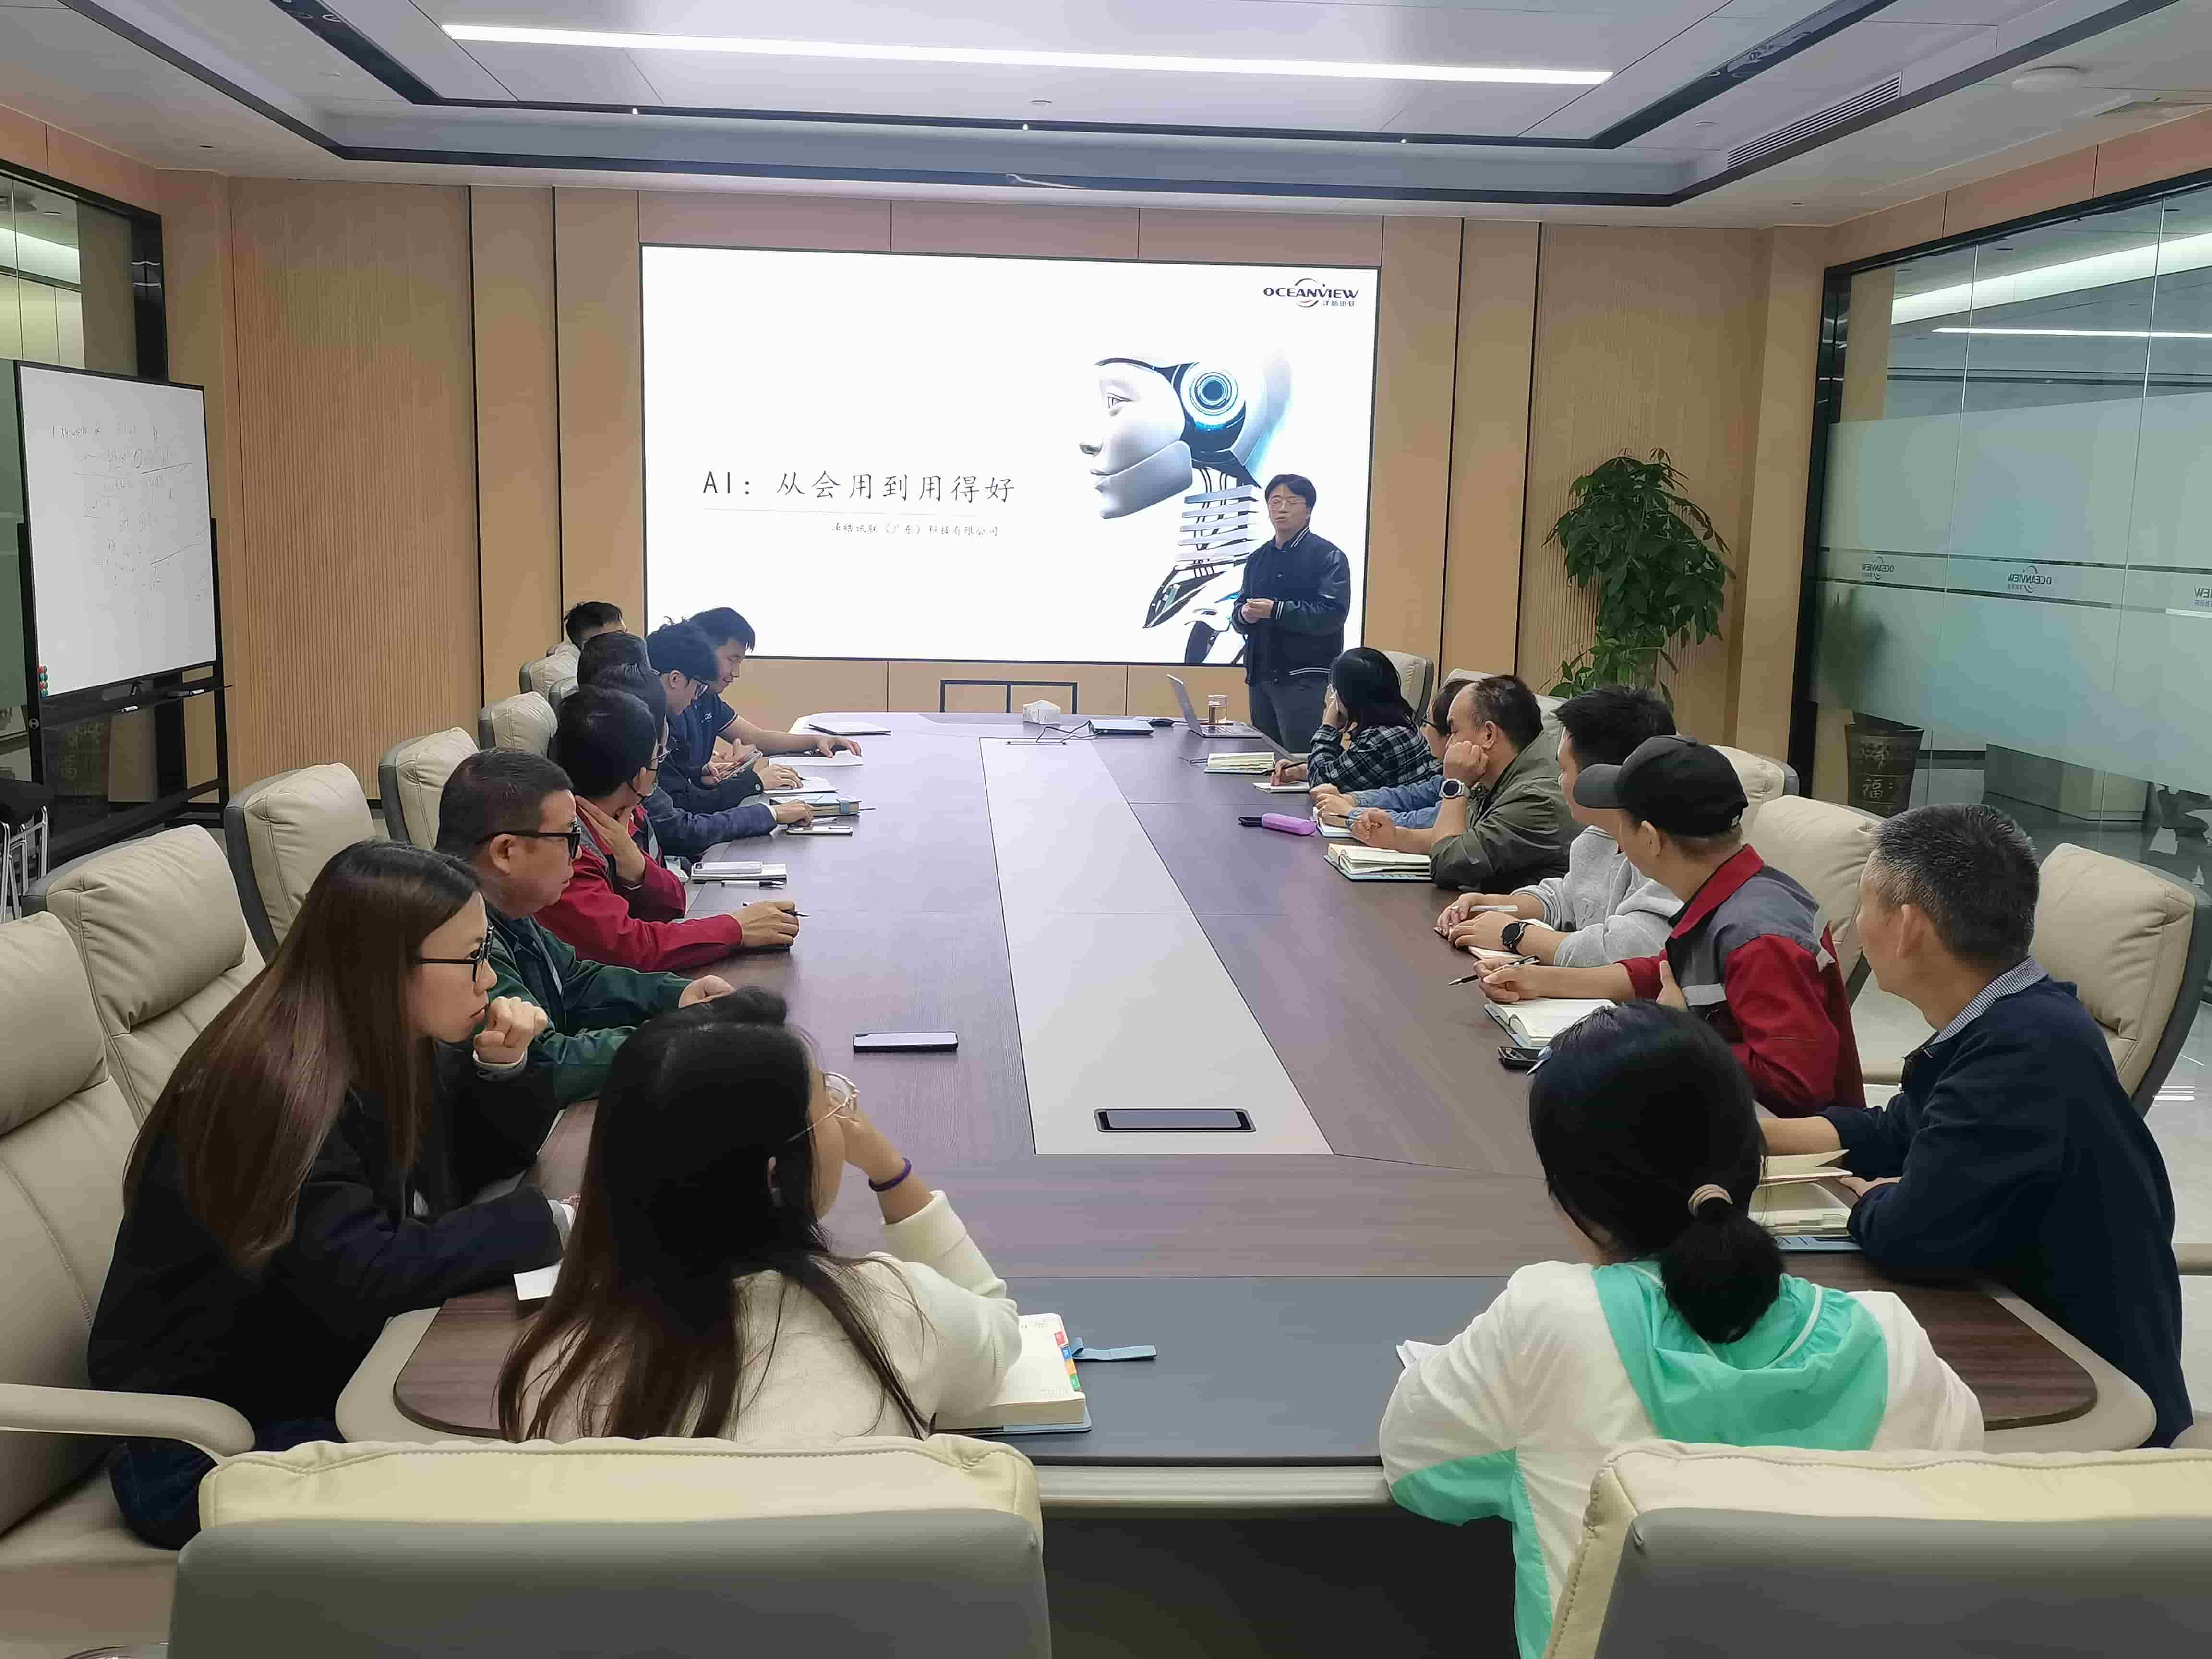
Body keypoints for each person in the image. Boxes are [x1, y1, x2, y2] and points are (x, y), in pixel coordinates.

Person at [1382, 1003, 1980, 1659]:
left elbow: (1418, 1469)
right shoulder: (1894, 1343)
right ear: (1754, 1165)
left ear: (1571, 1200)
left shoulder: (1553, 1319)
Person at [87, 842, 565, 1547]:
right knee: (523, 1480)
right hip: (205, 1451)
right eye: (471, 958)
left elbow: (465, 1172)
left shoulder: (377, 1038)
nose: (489, 979)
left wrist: (501, 1069)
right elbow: (364, 1274)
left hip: (313, 1374)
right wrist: (550, 1222)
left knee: (539, 1421)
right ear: (384, 965)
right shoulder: (270, 1088)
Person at [1764, 804, 2191, 1446]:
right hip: (2012, 1330)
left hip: (2076, 1394)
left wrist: (1874, 1200)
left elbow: (1912, 1235)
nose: (1856, 923)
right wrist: (1751, 1137)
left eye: (1865, 905)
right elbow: (1898, 1131)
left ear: (1907, 927)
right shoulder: (2014, 1018)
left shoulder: (2024, 1052)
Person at [497, 990, 1019, 1442]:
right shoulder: (897, 1311)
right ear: (774, 1176)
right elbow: (998, 1326)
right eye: (828, 1106)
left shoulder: (552, 1372)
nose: (842, 1119)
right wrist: (891, 1172)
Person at [1483, 735, 1864, 1118]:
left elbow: (1796, 1088)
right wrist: (1541, 981)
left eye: (1619, 822)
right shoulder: (1727, 891)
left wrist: (1680, 1034)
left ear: (1650, 839)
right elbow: (1662, 973)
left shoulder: (1758, 939)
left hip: (1768, 1141)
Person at [437, 749, 738, 1105]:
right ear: (505, 851)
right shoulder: (457, 940)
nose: (579, 854)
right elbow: (546, 1062)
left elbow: (575, 980)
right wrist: (676, 1040)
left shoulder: (507, 905)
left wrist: (677, 995)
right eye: (569, 838)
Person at [538, 685, 800, 972]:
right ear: (639, 776)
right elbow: (629, 948)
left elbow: (675, 903)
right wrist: (735, 929)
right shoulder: (566, 848)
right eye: (658, 760)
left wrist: (639, 870)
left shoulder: (628, 814)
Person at [1433, 685, 1682, 967]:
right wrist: (1490, 905)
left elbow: (1623, 951)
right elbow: (1564, 899)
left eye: (1563, 769)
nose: (1558, 781)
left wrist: (1513, 934)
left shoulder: (1669, 853)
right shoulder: (1597, 838)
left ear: (1598, 779)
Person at [1350, 674, 1573, 892]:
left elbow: (1447, 864)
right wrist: (1395, 837)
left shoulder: (1535, 799)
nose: (1449, 745)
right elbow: (1461, 840)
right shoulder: (1501, 775)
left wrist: (1456, 784)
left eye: (1454, 732)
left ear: (1489, 735)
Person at [1230, 474, 1349, 753]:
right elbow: (1238, 611)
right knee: (1266, 759)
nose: (1282, 509)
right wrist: (1244, 615)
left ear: (1309, 510)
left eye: (1292, 502)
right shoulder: (1257, 558)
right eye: (1275, 502)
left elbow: (1332, 614)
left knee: (1300, 758)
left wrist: (1277, 610)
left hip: (1303, 677)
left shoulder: (1328, 556)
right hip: (1260, 675)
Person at [688, 606, 865, 775]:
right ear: (704, 653)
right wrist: (754, 782)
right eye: (732, 661)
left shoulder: (708, 699)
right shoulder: (678, 704)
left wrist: (817, 741)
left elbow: (758, 739)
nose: (736, 673)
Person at [1268, 647, 1438, 795]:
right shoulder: (1399, 721)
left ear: (1350, 696)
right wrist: (1300, 771)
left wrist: (1328, 727)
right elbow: (1348, 770)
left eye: (1335, 690)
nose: (1333, 697)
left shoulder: (1379, 740)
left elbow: (1322, 784)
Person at [1310, 673, 1469, 832]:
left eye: (1426, 721)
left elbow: (1423, 821)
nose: (1422, 729)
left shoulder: (1383, 738)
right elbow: (1410, 796)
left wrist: (1350, 815)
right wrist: (1350, 800)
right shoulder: (1450, 776)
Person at [648, 620, 774, 812]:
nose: (695, 698)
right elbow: (681, 815)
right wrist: (757, 789)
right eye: (698, 688)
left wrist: (697, 775)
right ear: (675, 679)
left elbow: (674, 786)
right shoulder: (649, 726)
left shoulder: (665, 717)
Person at [541, 601, 624, 681]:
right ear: (589, 646)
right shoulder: (560, 672)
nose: (628, 639)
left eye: (625, 632)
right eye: (619, 635)